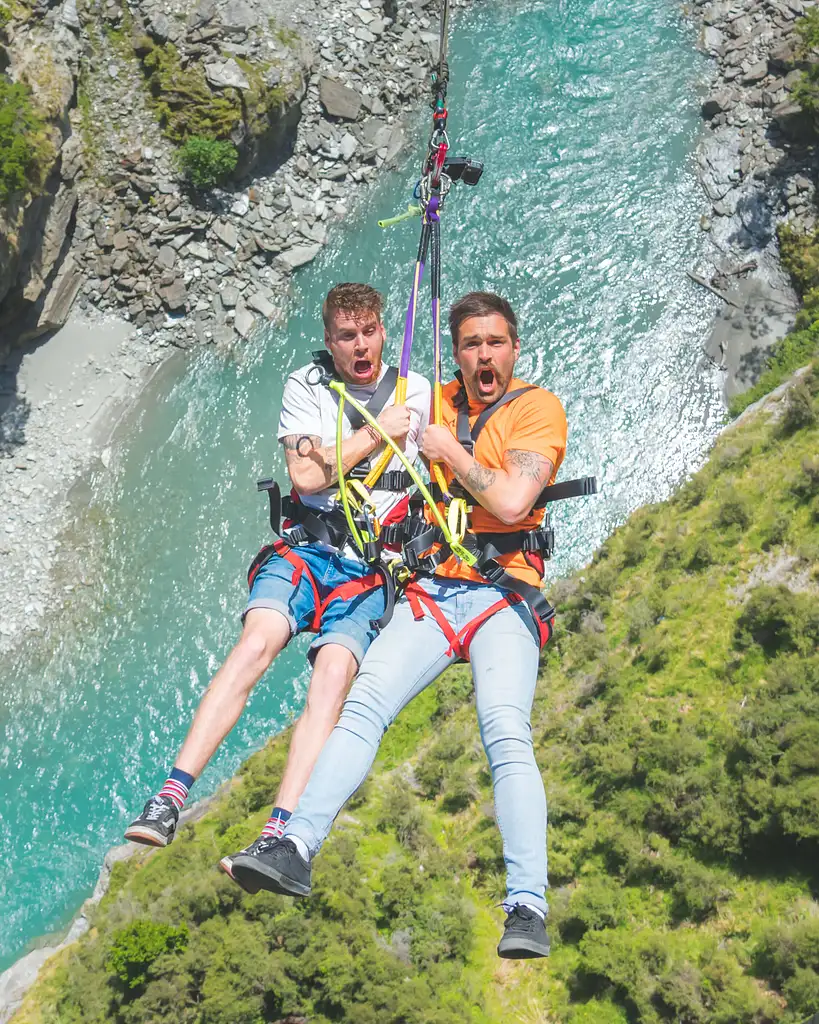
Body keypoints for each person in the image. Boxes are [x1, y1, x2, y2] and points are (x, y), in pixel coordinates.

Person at [228, 291, 568, 960]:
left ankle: (526, 904)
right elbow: (363, 417)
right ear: (459, 353)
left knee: (504, 730)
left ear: (513, 348)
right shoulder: (432, 399)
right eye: (469, 345)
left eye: (493, 343)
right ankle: (294, 845)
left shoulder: (535, 409)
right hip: (436, 589)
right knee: (362, 710)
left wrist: (448, 449)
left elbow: (508, 498)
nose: (481, 356)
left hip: (505, 595)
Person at [124, 283, 431, 884]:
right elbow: (305, 473)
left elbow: (398, 458)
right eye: (347, 336)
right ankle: (169, 798)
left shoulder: (416, 390)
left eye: (369, 332)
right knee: (257, 642)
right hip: (311, 546)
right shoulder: (307, 386)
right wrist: (379, 433)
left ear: (384, 333)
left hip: (369, 565)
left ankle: (279, 830)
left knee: (332, 680)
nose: (360, 346)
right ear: (329, 341)